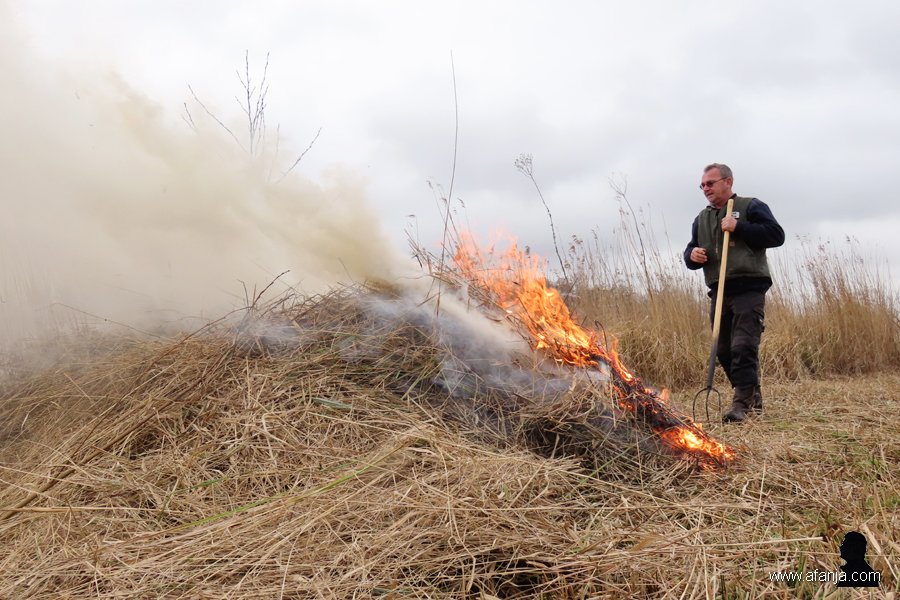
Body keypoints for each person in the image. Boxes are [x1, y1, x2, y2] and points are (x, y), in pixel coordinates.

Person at [684, 164, 785, 423]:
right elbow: (690, 253)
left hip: (749, 286)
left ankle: (741, 404)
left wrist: (738, 227)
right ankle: (752, 396)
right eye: (702, 185)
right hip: (719, 290)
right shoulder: (701, 219)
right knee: (725, 350)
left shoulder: (750, 206)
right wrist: (692, 256)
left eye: (710, 183)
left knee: (743, 345)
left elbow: (776, 235)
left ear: (727, 182)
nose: (705, 189)